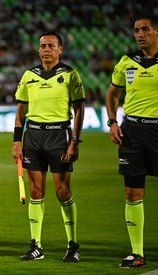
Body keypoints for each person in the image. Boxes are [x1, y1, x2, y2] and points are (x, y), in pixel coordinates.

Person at [11, 31, 85, 262]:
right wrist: (16, 140)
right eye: (42, 45)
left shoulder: (70, 74)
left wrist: (75, 141)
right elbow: (21, 112)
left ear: (60, 49)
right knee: (35, 192)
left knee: (63, 192)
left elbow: (80, 109)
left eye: (51, 45)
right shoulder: (29, 75)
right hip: (32, 136)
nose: (46, 49)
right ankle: (36, 246)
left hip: (59, 136)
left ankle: (73, 245)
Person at [106, 13, 158, 269]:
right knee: (132, 192)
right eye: (137, 30)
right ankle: (137, 252)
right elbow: (112, 94)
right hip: (132, 132)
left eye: (145, 30)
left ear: (156, 32)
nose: (139, 34)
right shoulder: (127, 62)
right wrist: (112, 122)